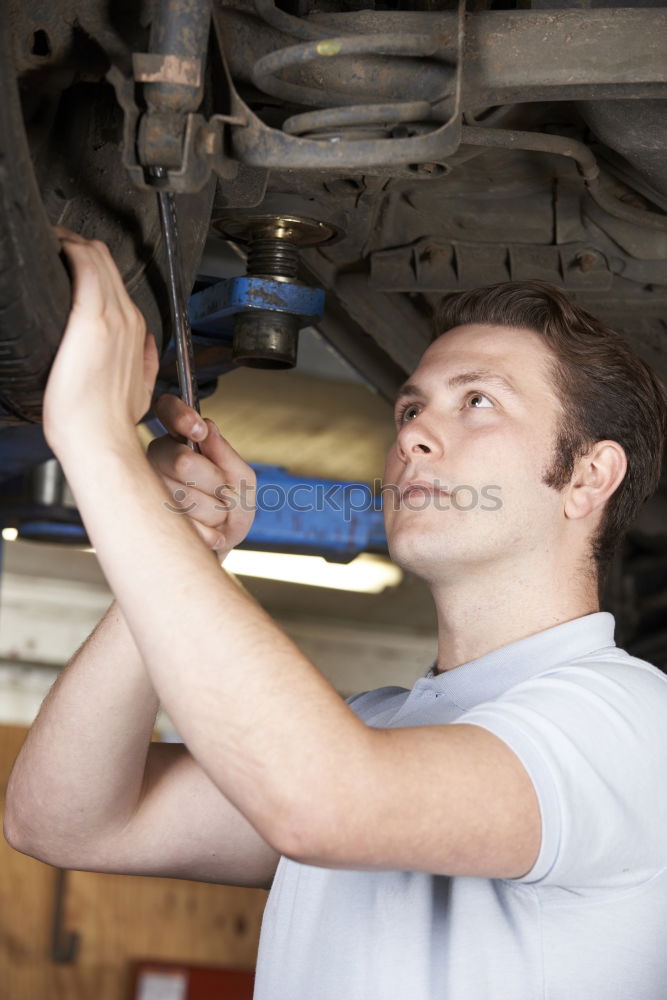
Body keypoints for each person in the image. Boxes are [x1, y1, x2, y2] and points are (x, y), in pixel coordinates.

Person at [4, 228, 667, 1000]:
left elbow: (323, 803)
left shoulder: (632, 725)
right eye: (410, 407)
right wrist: (182, 541)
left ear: (589, 476)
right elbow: (64, 820)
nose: (413, 432)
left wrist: (97, 443)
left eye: (476, 402)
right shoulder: (377, 731)